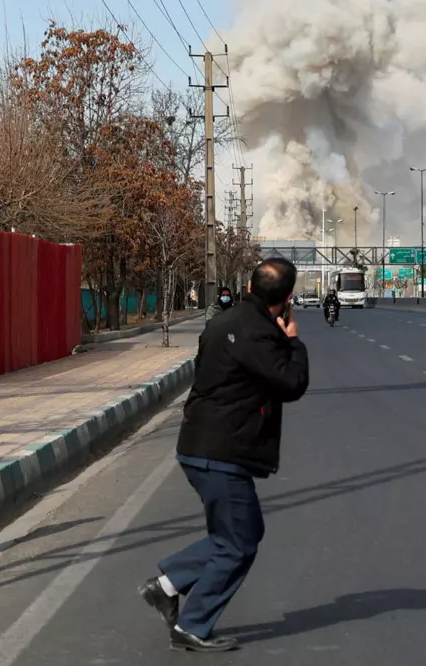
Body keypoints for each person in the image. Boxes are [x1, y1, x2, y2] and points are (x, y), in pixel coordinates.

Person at [139, 258, 309, 653]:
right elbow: (292, 382)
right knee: (239, 543)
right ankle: (192, 624)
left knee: (239, 534)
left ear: (249, 288)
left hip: (198, 445)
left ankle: (166, 585)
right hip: (224, 452)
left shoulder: (221, 322)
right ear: (286, 300)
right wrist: (294, 341)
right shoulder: (261, 335)